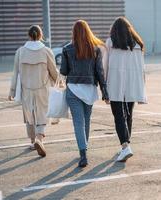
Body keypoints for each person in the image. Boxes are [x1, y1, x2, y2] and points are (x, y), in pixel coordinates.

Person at [60, 20, 109, 168]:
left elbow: (63, 71)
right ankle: (84, 151)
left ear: (74, 33)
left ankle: (83, 153)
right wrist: (105, 92)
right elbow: (100, 73)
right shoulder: (95, 49)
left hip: (73, 89)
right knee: (86, 121)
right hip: (89, 90)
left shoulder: (67, 49)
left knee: (78, 123)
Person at [8, 25, 58, 157]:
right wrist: (59, 83)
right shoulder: (46, 51)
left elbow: (15, 73)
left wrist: (12, 91)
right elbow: (53, 70)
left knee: (29, 115)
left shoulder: (20, 51)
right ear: (40, 36)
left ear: (29, 36)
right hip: (42, 88)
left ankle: (32, 141)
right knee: (42, 114)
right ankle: (39, 139)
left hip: (26, 89)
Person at [105, 17, 147, 162]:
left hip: (115, 83)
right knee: (128, 114)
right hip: (132, 84)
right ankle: (126, 145)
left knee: (118, 115)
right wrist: (142, 87)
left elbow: (105, 66)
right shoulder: (138, 45)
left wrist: (104, 87)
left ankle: (125, 146)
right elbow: (143, 69)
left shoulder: (111, 42)